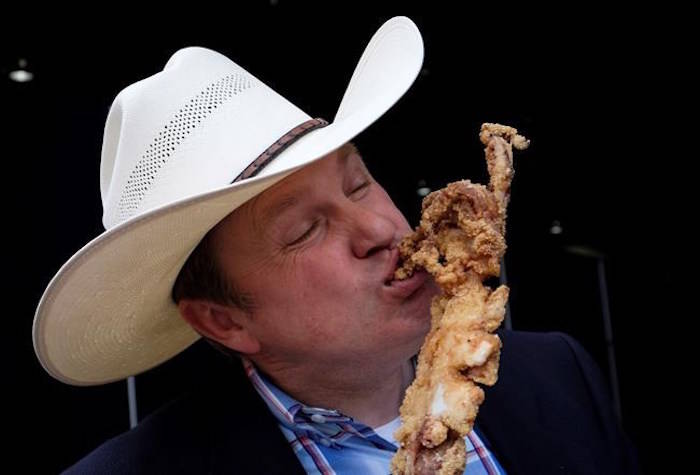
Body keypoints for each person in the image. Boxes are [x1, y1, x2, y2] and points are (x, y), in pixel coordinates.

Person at [33, 16, 639, 475]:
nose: (381, 230)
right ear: (222, 318)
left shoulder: (558, 376)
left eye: (359, 184)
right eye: (304, 230)